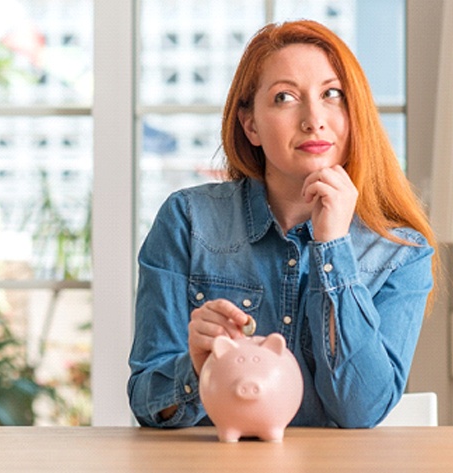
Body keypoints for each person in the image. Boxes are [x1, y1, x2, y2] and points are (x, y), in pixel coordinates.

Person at [127, 20, 438, 429]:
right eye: (285, 97)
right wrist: (196, 369)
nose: (314, 119)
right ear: (250, 125)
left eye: (332, 95)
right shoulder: (187, 220)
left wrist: (333, 248)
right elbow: (147, 401)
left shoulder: (400, 252)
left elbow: (361, 412)